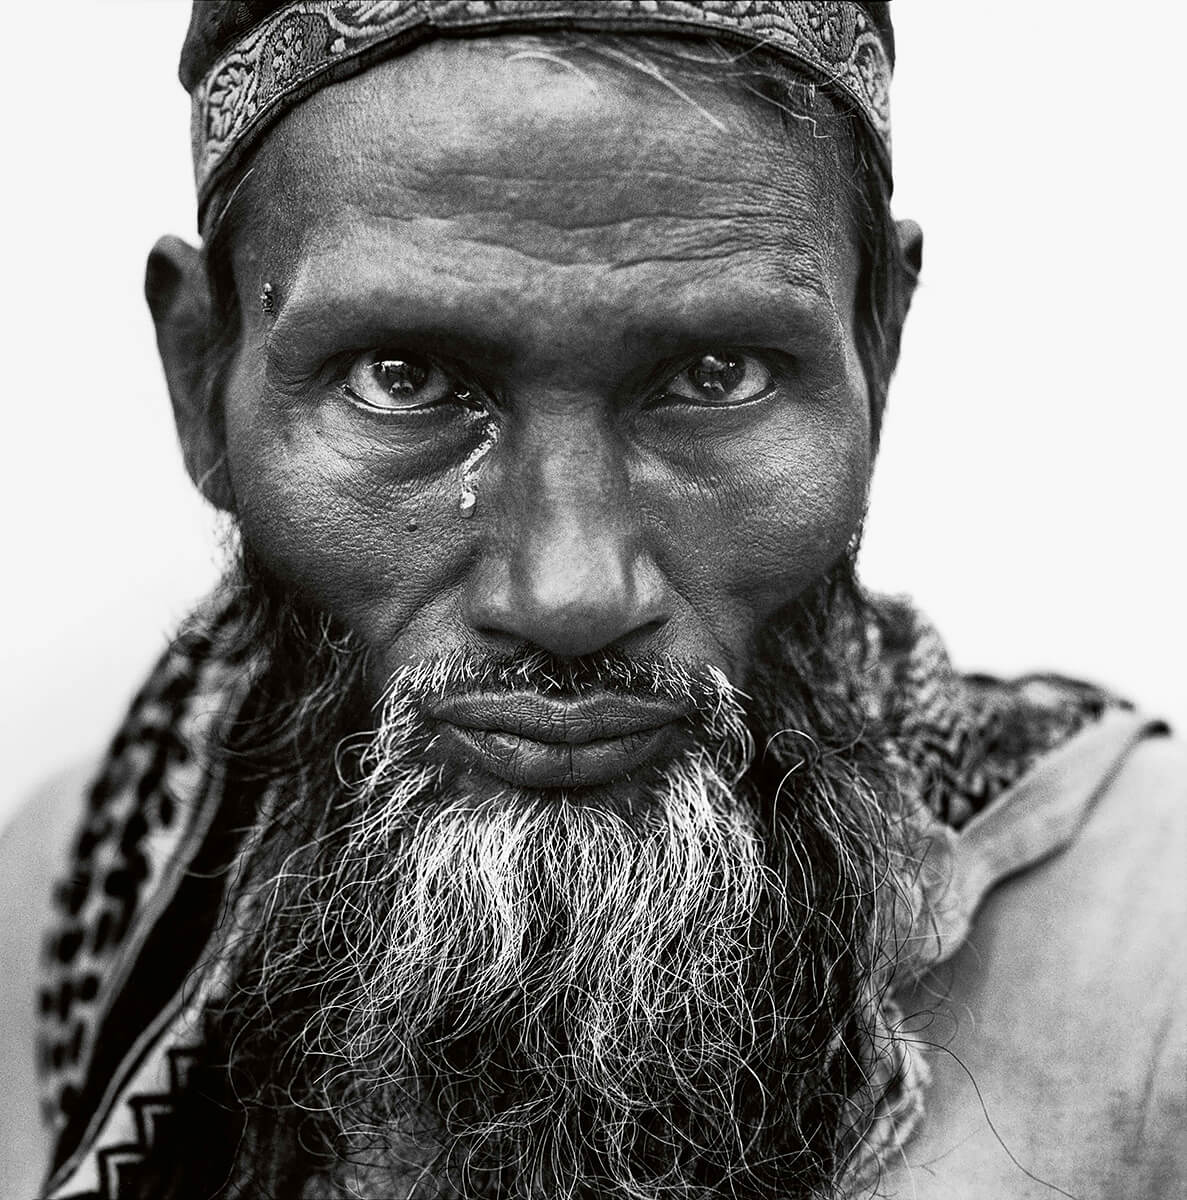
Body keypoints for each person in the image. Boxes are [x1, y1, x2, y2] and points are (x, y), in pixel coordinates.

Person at [1, 2, 1183, 1197]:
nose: (568, 594)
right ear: (202, 375)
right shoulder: (61, 894)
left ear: (879, 346)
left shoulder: (1153, 963)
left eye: (714, 376)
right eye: (400, 379)